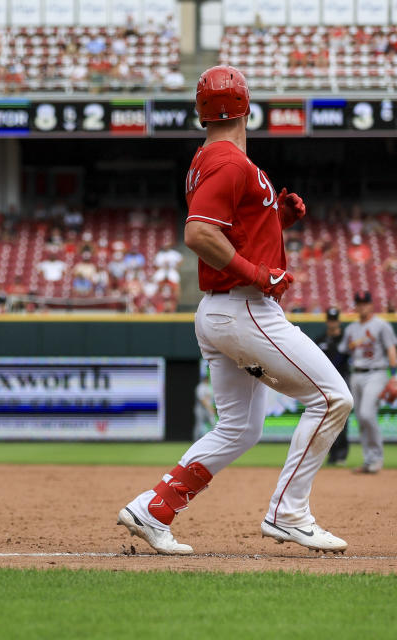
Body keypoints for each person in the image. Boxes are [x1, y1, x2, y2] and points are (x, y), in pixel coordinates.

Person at [117, 66, 353, 556]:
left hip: (221, 311)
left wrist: (275, 220)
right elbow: (199, 234)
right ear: (247, 106)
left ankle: (153, 508)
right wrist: (258, 272)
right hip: (244, 308)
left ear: (200, 112)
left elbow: (228, 230)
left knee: (240, 428)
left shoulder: (211, 159)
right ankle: (289, 514)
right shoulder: (229, 161)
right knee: (332, 399)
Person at [339, 291, 397, 474]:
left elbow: (391, 350)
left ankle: (377, 457)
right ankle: (369, 460)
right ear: (355, 306)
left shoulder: (381, 325)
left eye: (365, 303)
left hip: (376, 373)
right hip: (356, 374)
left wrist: (394, 376)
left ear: (371, 305)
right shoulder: (351, 329)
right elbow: (342, 352)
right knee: (361, 419)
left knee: (366, 414)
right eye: (359, 303)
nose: (362, 306)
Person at [314, 307, 350, 464]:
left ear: (339, 321)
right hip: (324, 384)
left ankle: (340, 454)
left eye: (335, 319)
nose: (332, 322)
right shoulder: (320, 339)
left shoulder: (346, 339)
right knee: (323, 419)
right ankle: (327, 455)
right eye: (330, 319)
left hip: (343, 381)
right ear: (327, 321)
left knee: (341, 419)